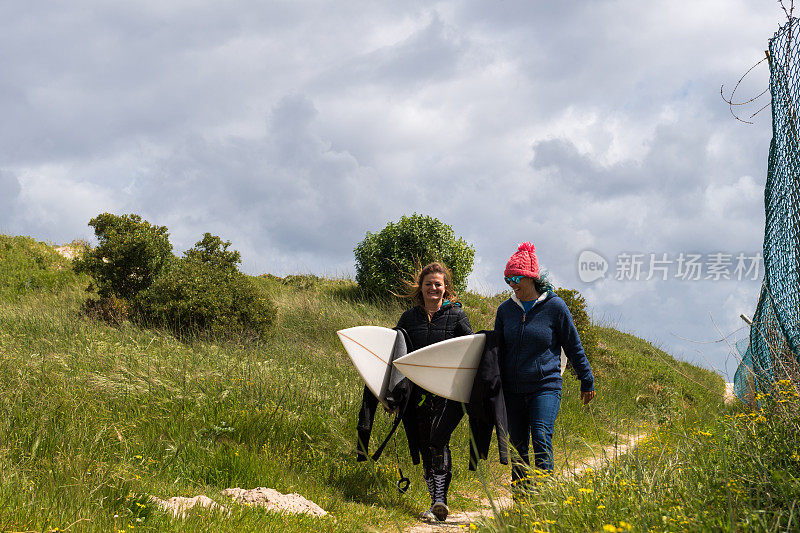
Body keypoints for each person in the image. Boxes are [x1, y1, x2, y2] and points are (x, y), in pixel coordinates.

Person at [494, 242, 596, 489]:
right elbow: (495, 351)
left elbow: (573, 345)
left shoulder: (555, 307)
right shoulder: (505, 310)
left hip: (545, 385)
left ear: (531, 278)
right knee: (518, 445)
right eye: (508, 279)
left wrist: (587, 379)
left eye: (516, 278)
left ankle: (545, 496)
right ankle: (521, 499)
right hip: (513, 389)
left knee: (540, 436)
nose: (512, 284)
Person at [396, 262, 473, 522]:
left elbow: (471, 350)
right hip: (416, 393)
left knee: (438, 440)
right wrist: (389, 394)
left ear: (446, 288)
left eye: (438, 284)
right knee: (423, 444)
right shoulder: (409, 318)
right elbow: (396, 355)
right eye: (428, 284)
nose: (433, 288)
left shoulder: (457, 316)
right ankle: (434, 503)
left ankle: (440, 499)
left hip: (447, 391)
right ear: (421, 287)